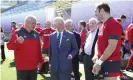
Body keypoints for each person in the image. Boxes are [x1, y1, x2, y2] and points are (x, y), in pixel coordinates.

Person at [7, 15, 43, 80]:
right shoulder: (17, 32)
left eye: (35, 23)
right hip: (22, 67)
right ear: (26, 23)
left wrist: (40, 60)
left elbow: (38, 49)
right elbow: (9, 46)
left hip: (33, 67)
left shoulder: (36, 34)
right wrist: (17, 42)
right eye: (33, 23)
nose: (34, 25)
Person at [92, 3, 122, 80]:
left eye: (96, 11)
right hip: (102, 61)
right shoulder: (103, 25)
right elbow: (97, 42)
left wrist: (99, 62)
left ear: (102, 10)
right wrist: (96, 55)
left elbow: (111, 47)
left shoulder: (113, 24)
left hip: (111, 62)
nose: (95, 14)